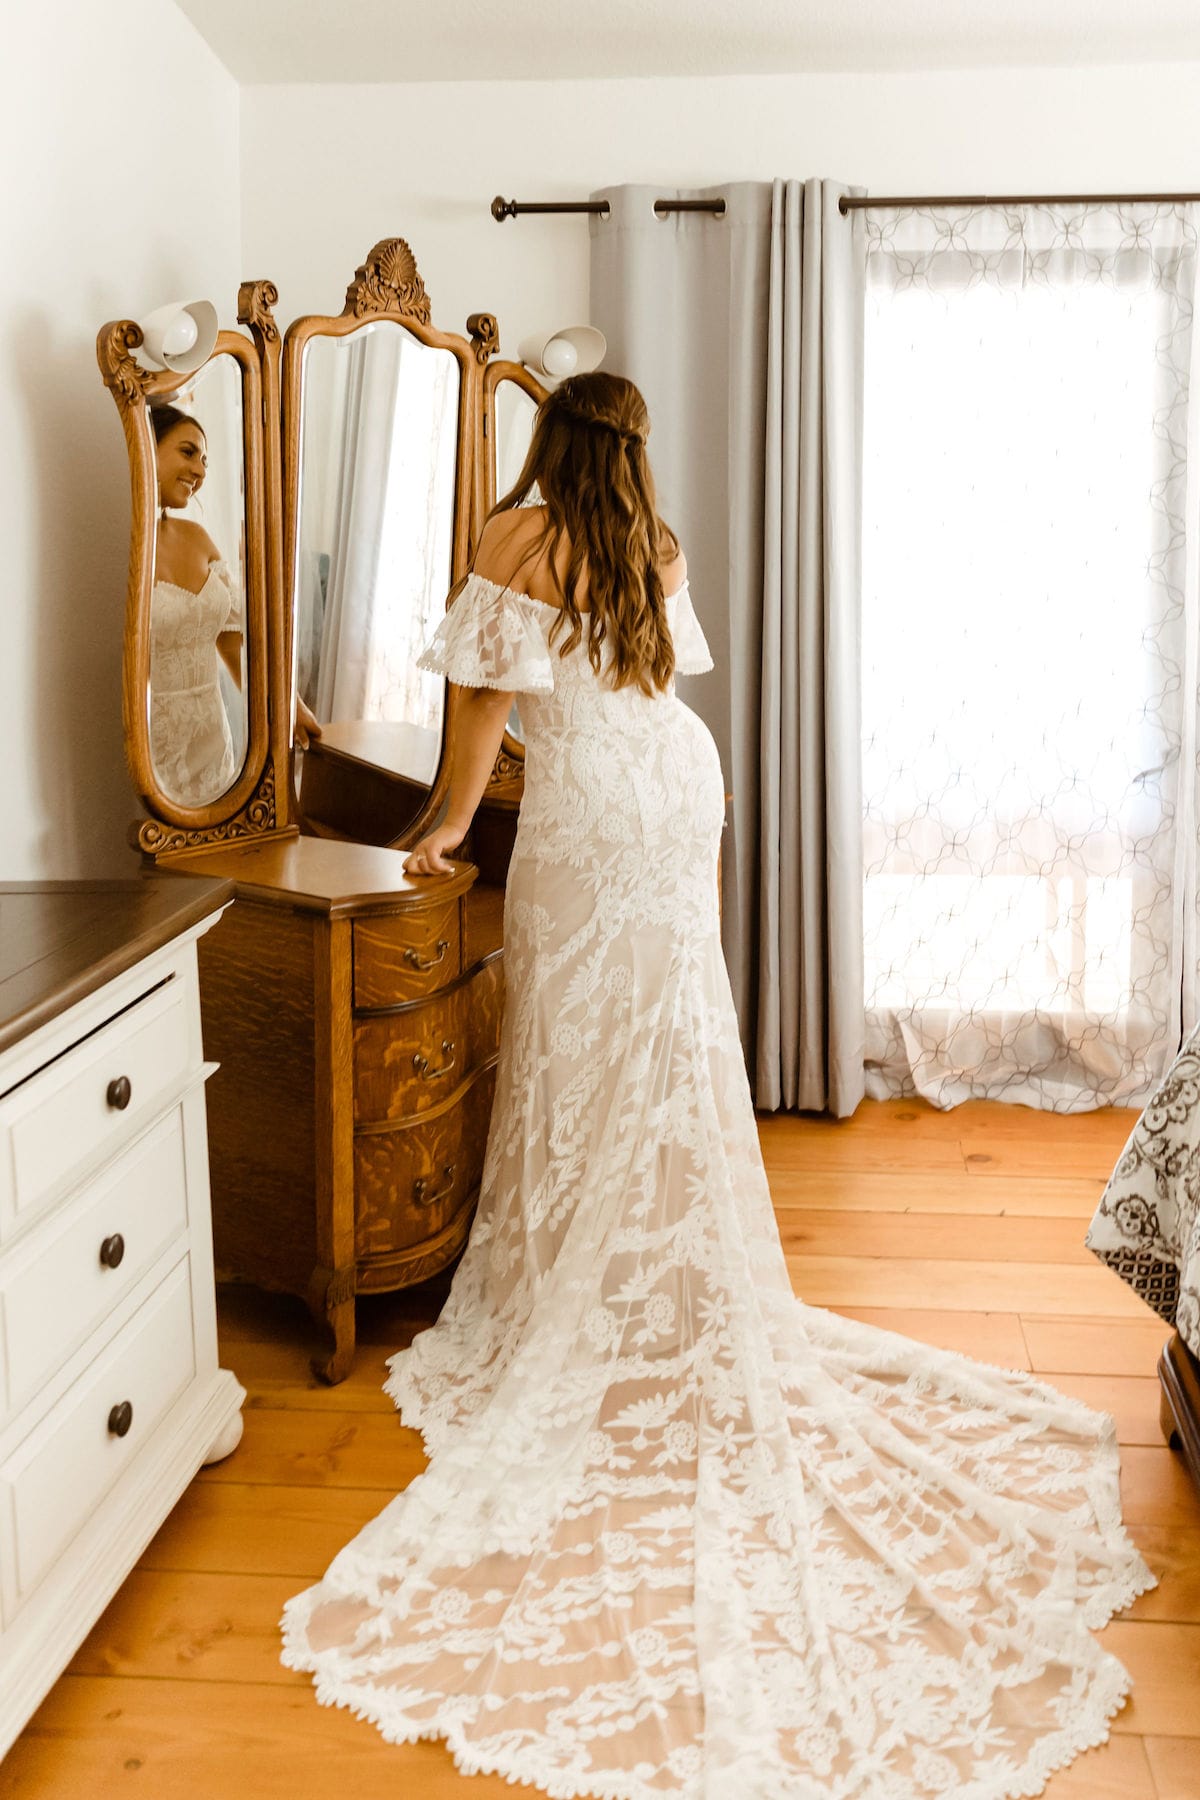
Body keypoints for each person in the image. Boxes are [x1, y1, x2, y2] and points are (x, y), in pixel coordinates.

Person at [281, 372, 1153, 1799]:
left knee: (575, 1036)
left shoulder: (508, 540)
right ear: (628, 448)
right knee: (669, 1032)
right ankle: (664, 1266)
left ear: (545, 442)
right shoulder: (655, 538)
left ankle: (584, 1272)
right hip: (680, 790)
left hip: (588, 811)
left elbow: (486, 733)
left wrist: (441, 835)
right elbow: (633, 687)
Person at [150, 403, 319, 808]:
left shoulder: (197, 537)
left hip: (212, 736)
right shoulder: (120, 543)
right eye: (188, 452)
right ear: (145, 446)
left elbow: (233, 644)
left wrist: (288, 705)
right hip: (152, 743)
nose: (201, 472)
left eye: (205, 460)